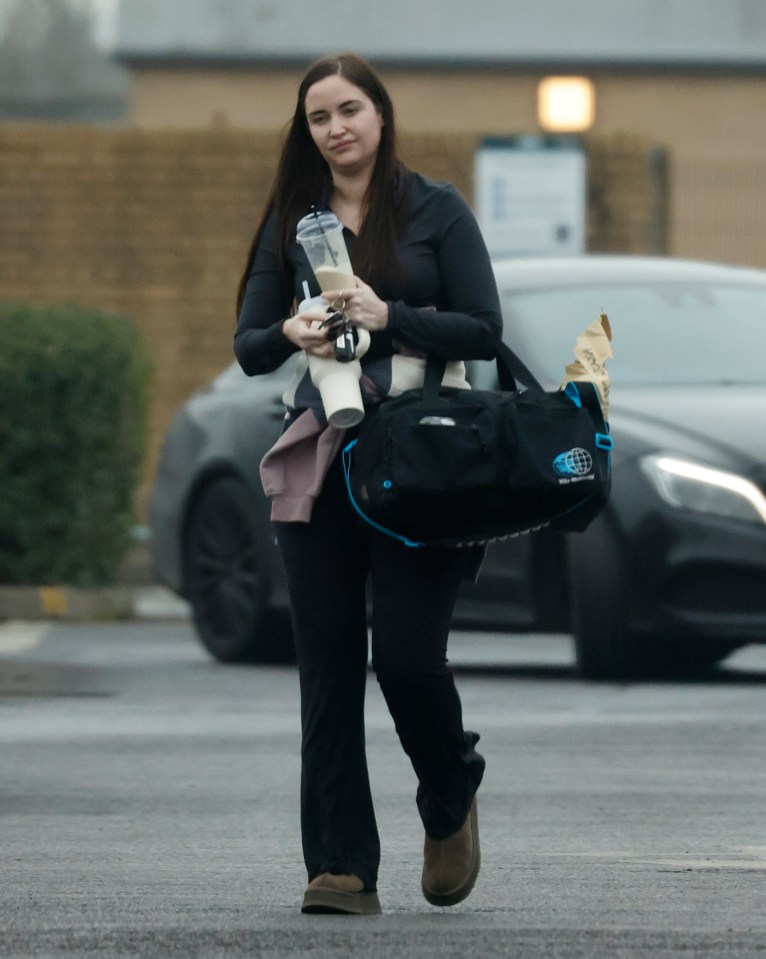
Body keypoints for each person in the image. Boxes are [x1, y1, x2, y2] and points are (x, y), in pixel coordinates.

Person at [234, 52, 502, 915]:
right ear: (307, 132)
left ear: (381, 115)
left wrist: (392, 315)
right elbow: (249, 344)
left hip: (421, 457)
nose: (336, 128)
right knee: (329, 661)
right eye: (319, 117)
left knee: (408, 659)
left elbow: (484, 330)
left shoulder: (436, 210)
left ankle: (449, 784)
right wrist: (292, 326)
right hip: (323, 453)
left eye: (350, 109)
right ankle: (341, 866)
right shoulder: (292, 217)